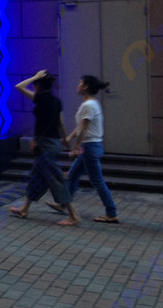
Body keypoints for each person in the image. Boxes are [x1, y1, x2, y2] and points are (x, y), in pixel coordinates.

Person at [9, 70, 81, 226]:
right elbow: (61, 123)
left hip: (44, 145)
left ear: (38, 86)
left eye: (35, 84)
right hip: (54, 143)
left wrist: (35, 76)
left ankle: (74, 215)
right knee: (37, 177)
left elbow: (18, 87)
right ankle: (24, 209)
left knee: (56, 180)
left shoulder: (40, 99)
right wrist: (65, 140)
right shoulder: (56, 101)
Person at [56, 75, 119, 223]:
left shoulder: (88, 105)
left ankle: (111, 213)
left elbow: (84, 128)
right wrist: (69, 139)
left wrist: (76, 147)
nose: (77, 86)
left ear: (85, 87)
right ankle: (63, 204)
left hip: (90, 147)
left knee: (97, 181)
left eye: (80, 83)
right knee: (73, 175)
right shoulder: (91, 103)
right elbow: (81, 127)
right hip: (90, 146)